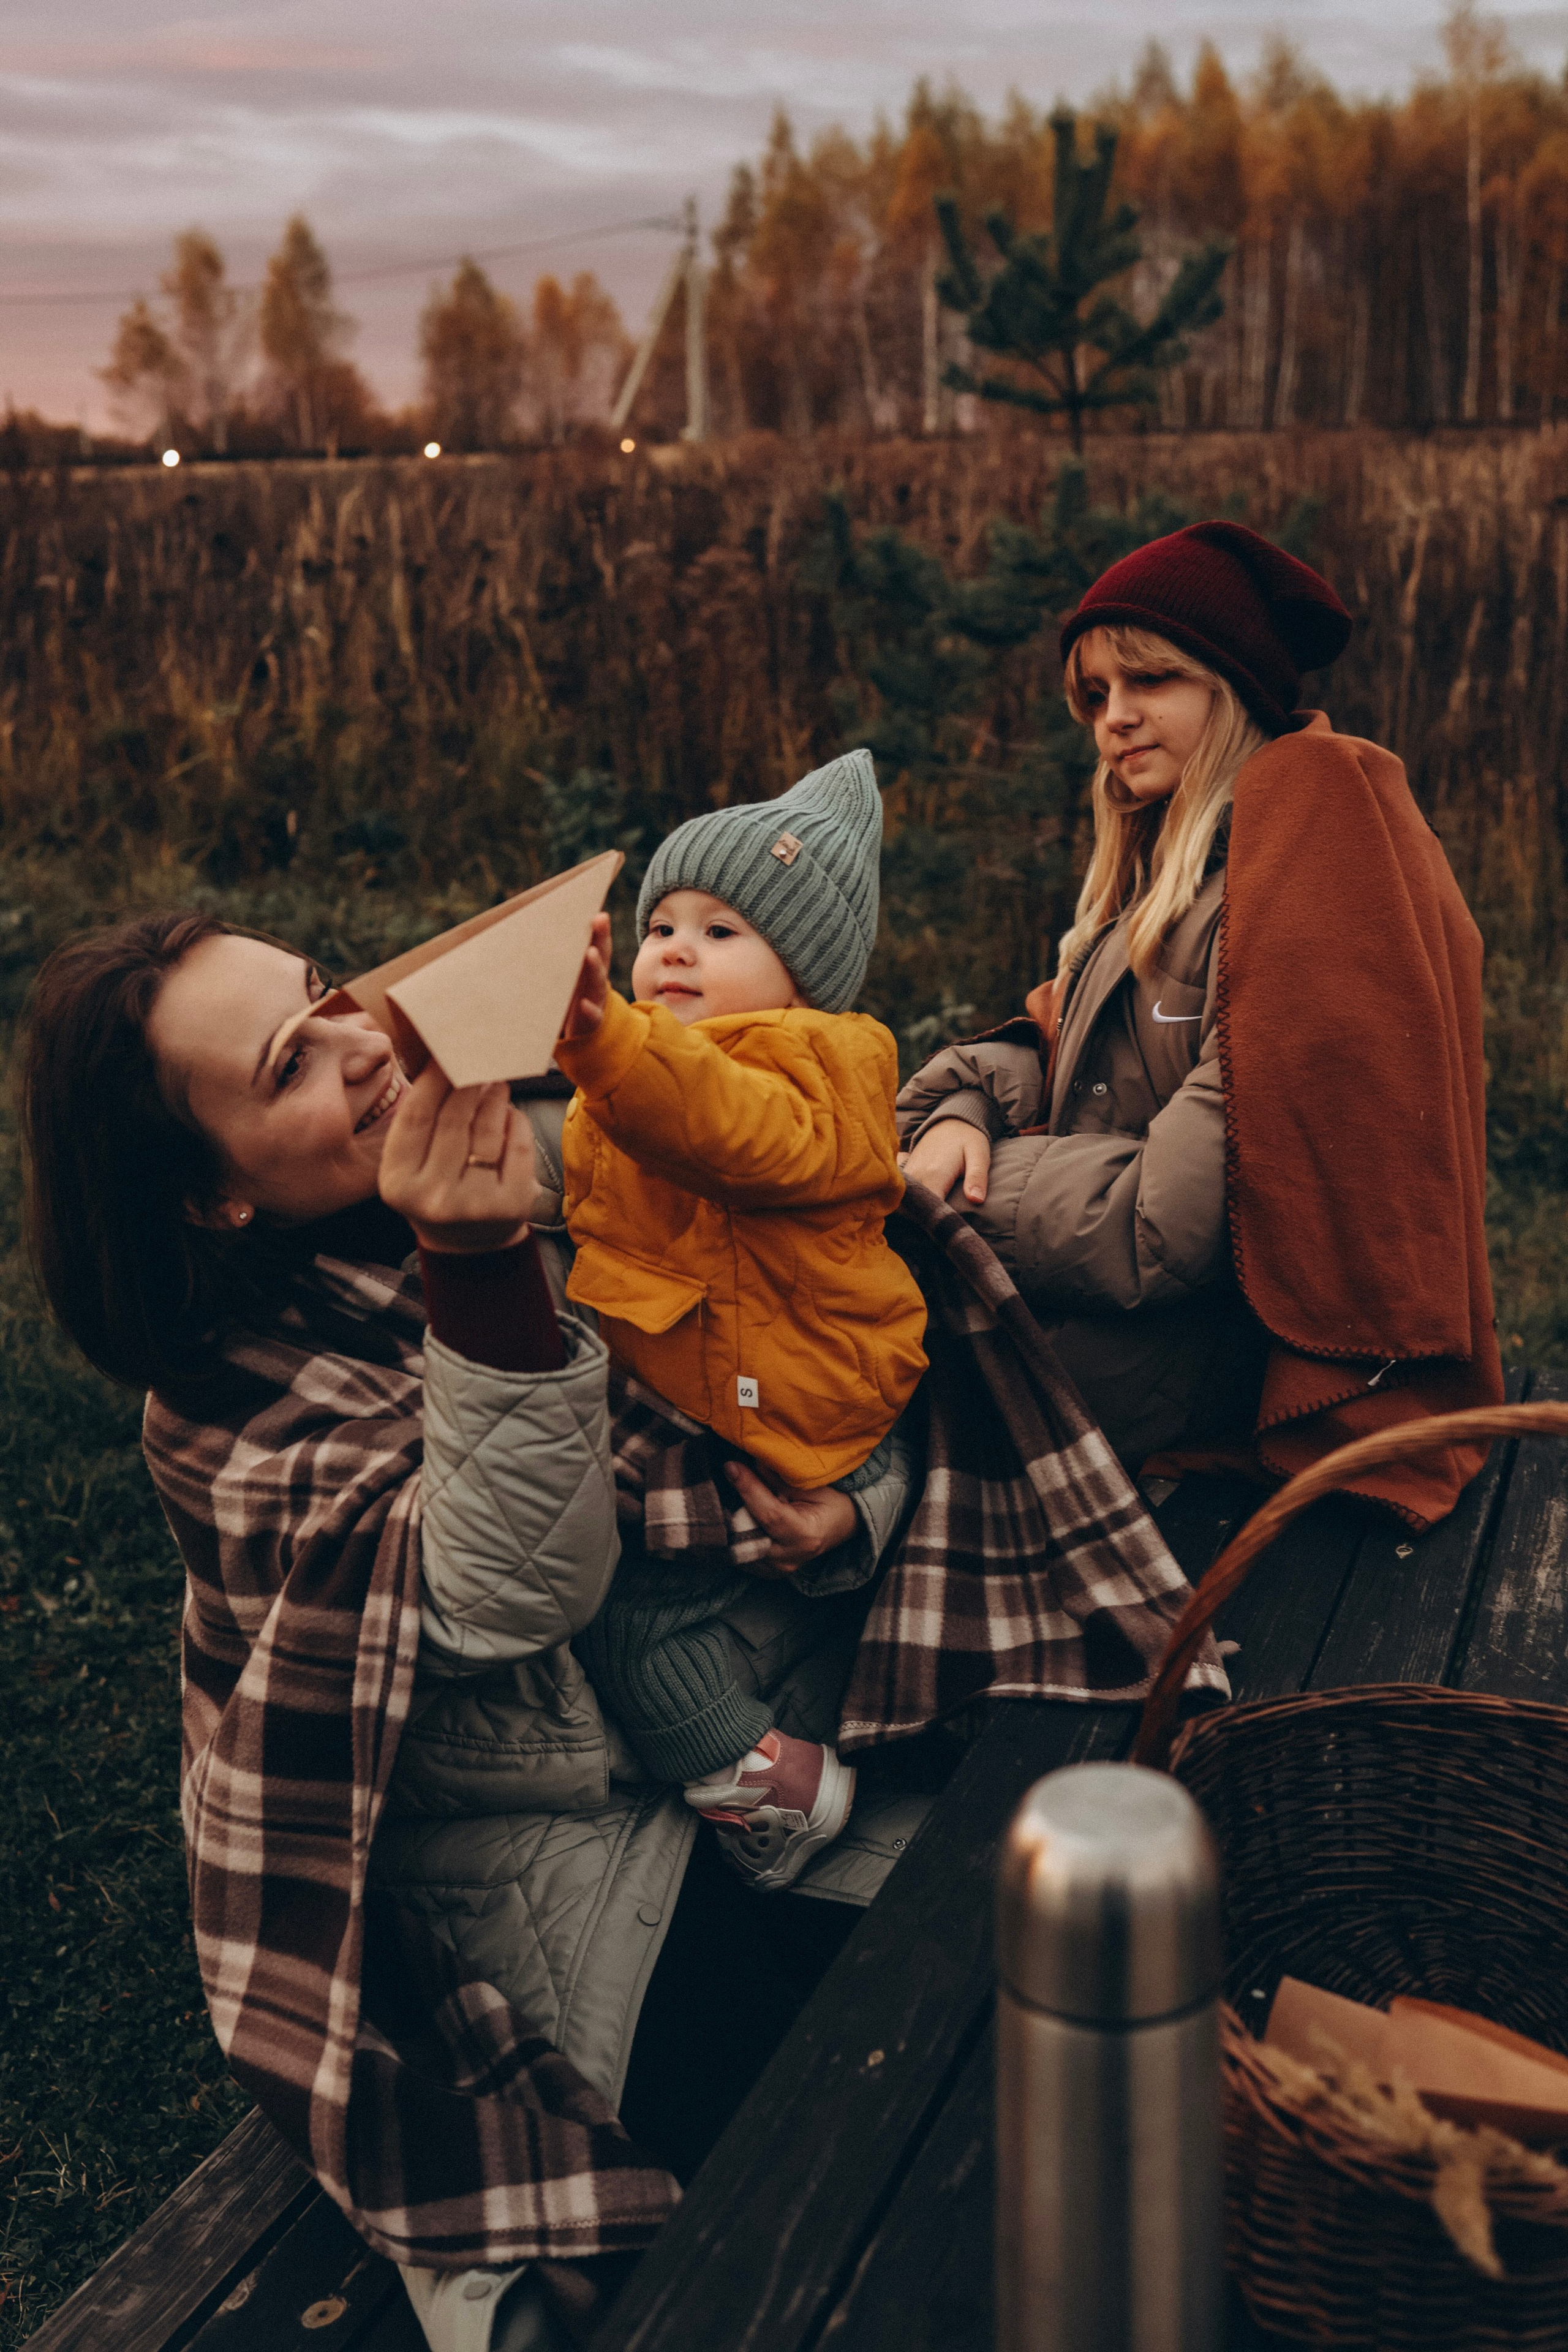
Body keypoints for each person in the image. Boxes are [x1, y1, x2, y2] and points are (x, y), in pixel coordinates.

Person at [18, 908, 917, 2352]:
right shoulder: (216, 1409)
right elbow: (518, 1590)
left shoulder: (480, 1156)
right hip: (536, 1869)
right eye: (287, 1065)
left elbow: (772, 1321)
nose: (362, 1050)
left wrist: (857, 1506)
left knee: (1013, 1952)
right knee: (866, 2173)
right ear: (212, 1198)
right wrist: (476, 1257)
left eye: (327, 997)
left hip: (714, 1731)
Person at [899, 522, 1503, 1527]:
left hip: (1205, 1349)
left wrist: (932, 1191)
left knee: (845, 1381)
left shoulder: (1299, 890)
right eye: (1095, 696)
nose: (1115, 720)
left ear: (1232, 690)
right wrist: (961, 1109)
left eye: (1151, 683)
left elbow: (1159, 1225)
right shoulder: (1170, 885)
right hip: (1098, 1305)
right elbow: (1050, 1041)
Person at [556, 749, 928, 1891]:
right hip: (701, 1367)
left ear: (803, 974)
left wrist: (606, 1040)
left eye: (723, 932)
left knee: (634, 1625)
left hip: (784, 1393)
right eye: (665, 920)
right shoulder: (664, 1063)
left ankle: (777, 1792)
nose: (675, 946)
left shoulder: (817, 1063)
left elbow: (725, 1128)